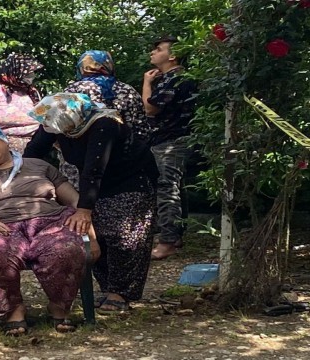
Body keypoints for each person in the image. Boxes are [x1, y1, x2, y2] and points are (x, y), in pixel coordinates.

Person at [0, 124, 100, 336]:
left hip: (49, 221)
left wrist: (89, 229)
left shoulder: (38, 165)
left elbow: (73, 199)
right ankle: (12, 311)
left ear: (4, 140)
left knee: (66, 249)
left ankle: (59, 305)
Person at [24, 93, 157, 314]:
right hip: (96, 182)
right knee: (98, 235)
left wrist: (84, 210)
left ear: (72, 117)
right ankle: (107, 287)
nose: (51, 129)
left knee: (123, 235)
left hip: (132, 179)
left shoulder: (104, 123)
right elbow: (34, 152)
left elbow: (95, 168)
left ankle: (121, 292)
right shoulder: (56, 121)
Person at [60, 50, 151, 188]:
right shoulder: (128, 90)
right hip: (123, 162)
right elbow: (141, 130)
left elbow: (62, 126)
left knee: (81, 206)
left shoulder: (73, 90)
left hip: (80, 162)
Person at [142, 36, 197, 260]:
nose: (152, 53)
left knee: (167, 187)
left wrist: (146, 83)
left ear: (172, 56)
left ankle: (167, 242)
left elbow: (149, 108)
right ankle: (175, 236)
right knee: (174, 185)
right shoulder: (172, 79)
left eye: (158, 49)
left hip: (172, 141)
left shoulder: (175, 79)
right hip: (172, 140)